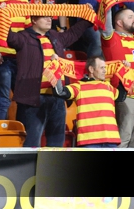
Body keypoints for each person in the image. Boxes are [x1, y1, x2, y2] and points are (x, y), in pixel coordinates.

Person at [8, 13, 91, 147]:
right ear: (34, 20)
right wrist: (3, 14)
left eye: (50, 17)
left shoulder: (55, 36)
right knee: (32, 144)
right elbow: (6, 35)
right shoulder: (23, 37)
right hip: (33, 100)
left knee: (57, 145)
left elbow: (74, 32)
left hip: (57, 98)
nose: (49, 19)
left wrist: (89, 16)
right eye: (44, 17)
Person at [65, 56, 120, 148]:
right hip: (89, 140)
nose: (105, 71)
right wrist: (55, 69)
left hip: (111, 139)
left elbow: (121, 96)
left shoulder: (108, 86)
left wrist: (124, 70)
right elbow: (60, 92)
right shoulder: (79, 86)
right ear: (91, 69)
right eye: (102, 68)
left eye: (105, 68)